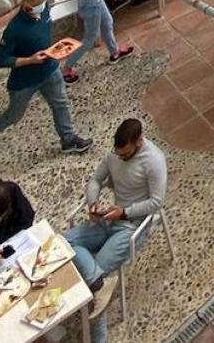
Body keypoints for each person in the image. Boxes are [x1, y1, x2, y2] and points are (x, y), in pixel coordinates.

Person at [65, 119, 167, 340]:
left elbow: (157, 202)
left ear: (139, 142)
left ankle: (98, 337)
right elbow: (95, 179)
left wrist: (125, 212)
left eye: (126, 154)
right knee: (63, 243)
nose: (121, 158)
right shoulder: (115, 155)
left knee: (98, 272)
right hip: (109, 219)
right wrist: (93, 202)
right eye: (118, 153)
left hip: (131, 226)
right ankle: (97, 283)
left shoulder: (154, 161)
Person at [0, 0, 93, 163]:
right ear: (25, 2)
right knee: (14, 115)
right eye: (33, 5)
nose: (37, 8)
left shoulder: (45, 9)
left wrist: (56, 51)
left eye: (40, 3)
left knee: (60, 103)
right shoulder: (14, 29)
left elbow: (45, 35)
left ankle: (68, 140)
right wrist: (30, 60)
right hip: (25, 80)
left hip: (49, 69)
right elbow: (2, 60)